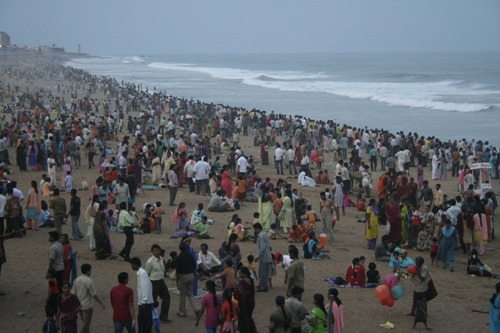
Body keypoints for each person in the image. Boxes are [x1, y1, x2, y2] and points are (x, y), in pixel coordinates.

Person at [71, 264, 106, 333]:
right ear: (87, 271)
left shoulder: (76, 280)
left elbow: (73, 293)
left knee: (85, 324)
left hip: (79, 305)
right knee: (85, 325)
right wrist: (101, 303)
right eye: (90, 271)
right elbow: (94, 294)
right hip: (87, 306)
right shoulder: (89, 281)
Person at [146, 244, 171, 323]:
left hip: (161, 281)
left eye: (157, 250)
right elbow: (146, 273)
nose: (156, 252)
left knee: (167, 298)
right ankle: (149, 317)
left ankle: (163, 317)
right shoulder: (150, 261)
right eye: (154, 251)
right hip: (153, 282)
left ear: (160, 251)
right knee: (152, 301)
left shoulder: (161, 259)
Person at [175, 241, 200, 318]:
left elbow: (178, 271)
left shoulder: (179, 257)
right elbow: (194, 266)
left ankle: (182, 311)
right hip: (191, 275)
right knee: (191, 293)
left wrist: (177, 281)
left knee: (182, 294)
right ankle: (196, 309)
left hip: (183, 276)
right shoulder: (190, 255)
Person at [129, 257, 154, 333]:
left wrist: (143, 300)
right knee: (142, 322)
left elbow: (145, 287)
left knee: (145, 322)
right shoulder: (141, 273)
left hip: (145, 303)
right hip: (144, 302)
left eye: (132, 265)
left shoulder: (142, 274)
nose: (131, 267)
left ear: (135, 265)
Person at [233, 267, 257, 333]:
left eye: (241, 273)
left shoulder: (243, 283)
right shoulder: (250, 279)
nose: (240, 274)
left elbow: (237, 295)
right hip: (251, 302)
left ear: (245, 274)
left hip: (244, 303)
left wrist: (236, 286)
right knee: (249, 318)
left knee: (244, 320)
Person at [254, 223, 273, 292]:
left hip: (263, 256)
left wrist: (258, 256)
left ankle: (263, 287)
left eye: (255, 229)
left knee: (263, 272)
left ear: (257, 229)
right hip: (267, 256)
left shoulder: (261, 236)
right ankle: (262, 284)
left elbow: (262, 248)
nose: (255, 231)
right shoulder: (265, 234)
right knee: (263, 272)